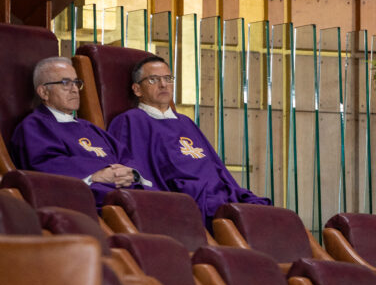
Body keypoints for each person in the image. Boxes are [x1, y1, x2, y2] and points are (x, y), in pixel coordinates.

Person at [108, 55, 270, 224]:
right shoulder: (130, 120)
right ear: (137, 89)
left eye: (168, 78)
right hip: (185, 199)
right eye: (153, 80)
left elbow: (216, 168)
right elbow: (131, 168)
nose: (163, 84)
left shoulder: (185, 122)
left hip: (219, 196)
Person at [10, 56, 149, 208]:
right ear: (44, 92)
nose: (75, 89)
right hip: (86, 199)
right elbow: (46, 166)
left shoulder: (89, 127)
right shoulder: (34, 126)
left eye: (76, 82)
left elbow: (125, 155)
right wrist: (96, 175)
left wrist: (131, 173)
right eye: (65, 83)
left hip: (124, 192)